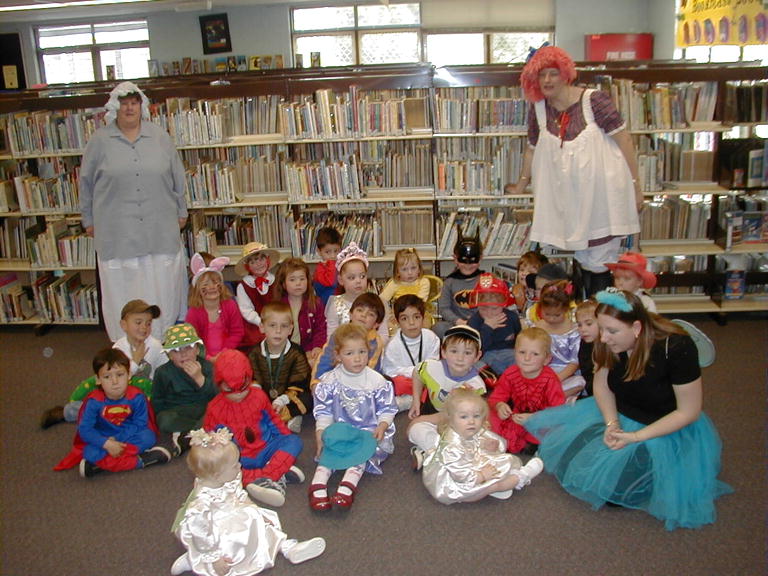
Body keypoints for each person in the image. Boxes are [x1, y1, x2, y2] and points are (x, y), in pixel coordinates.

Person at [524, 289, 733, 530]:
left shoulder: (676, 347)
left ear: (636, 328)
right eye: (601, 329)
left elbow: (688, 412)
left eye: (612, 331)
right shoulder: (606, 341)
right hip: (623, 413)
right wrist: (612, 424)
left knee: (616, 492)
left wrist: (636, 437)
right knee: (570, 460)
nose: (603, 338)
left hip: (662, 426)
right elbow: (602, 386)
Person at [510, 46, 641, 297]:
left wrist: (636, 187)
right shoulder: (538, 109)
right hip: (570, 201)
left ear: (566, 73)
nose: (547, 80)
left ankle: (599, 324)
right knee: (584, 259)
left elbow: (625, 140)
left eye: (553, 73)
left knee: (600, 261)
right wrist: (521, 184)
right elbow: (531, 149)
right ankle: (587, 322)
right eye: (541, 75)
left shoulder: (594, 101)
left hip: (602, 198)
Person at [79, 81, 188, 341]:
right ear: (115, 106)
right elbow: (86, 183)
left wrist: (181, 210)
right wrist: (88, 219)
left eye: (134, 103)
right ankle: (125, 344)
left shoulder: (160, 136)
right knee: (122, 288)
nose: (129, 108)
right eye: (124, 103)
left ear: (142, 106)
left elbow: (177, 177)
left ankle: (162, 340)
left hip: (158, 228)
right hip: (118, 233)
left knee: (161, 285)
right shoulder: (99, 141)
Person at [171, 427, 325, 576]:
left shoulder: (229, 478)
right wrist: (214, 559)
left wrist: (253, 509)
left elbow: (239, 495)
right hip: (216, 529)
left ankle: (288, 547)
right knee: (234, 544)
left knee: (263, 524)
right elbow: (201, 534)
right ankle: (194, 560)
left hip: (236, 512)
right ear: (218, 475)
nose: (240, 466)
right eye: (234, 465)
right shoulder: (201, 505)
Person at [309, 324, 398, 511]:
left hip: (367, 431)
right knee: (329, 447)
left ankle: (348, 485)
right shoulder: (330, 380)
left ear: (369, 351)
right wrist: (321, 433)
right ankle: (318, 484)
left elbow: (387, 408)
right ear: (338, 356)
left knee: (363, 452)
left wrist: (382, 425)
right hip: (341, 429)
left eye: (362, 352)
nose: (357, 359)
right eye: (349, 353)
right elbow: (324, 411)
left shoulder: (376, 380)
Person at [40, 299, 166, 429]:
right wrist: (135, 361)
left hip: (144, 392)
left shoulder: (155, 345)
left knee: (149, 409)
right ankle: (69, 411)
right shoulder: (118, 348)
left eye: (148, 323)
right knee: (104, 405)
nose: (144, 327)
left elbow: (164, 370)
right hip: (119, 390)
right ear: (124, 325)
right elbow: (114, 377)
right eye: (138, 322)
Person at [204, 349, 305, 508]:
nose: (238, 394)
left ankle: (263, 478)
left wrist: (284, 439)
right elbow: (211, 444)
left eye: (243, 387)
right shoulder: (214, 408)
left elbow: (274, 421)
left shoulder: (259, 395)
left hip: (266, 449)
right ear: (219, 383)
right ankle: (274, 473)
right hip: (239, 459)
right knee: (221, 468)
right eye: (230, 389)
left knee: (294, 441)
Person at [54, 348, 171, 477]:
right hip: (103, 436)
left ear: (129, 375)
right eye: (107, 377)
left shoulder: (137, 396)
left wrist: (115, 440)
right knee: (89, 452)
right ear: (98, 380)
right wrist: (106, 443)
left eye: (120, 375)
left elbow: (140, 424)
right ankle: (140, 461)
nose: (114, 382)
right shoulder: (94, 401)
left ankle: (102, 464)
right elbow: (85, 430)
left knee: (148, 437)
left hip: (128, 434)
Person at [422, 388, 545, 504]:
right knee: (494, 485)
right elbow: (461, 475)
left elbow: (473, 443)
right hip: (453, 485)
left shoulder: (464, 429)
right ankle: (520, 477)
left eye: (476, 416)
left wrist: (484, 444)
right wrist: (481, 476)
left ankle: (495, 483)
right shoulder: (451, 447)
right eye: (464, 417)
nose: (471, 421)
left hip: (468, 464)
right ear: (450, 418)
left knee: (505, 460)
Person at [407, 325, 486, 470]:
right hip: (432, 414)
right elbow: (418, 373)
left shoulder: (475, 385)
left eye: (467, 353)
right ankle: (444, 453)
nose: (460, 358)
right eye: (454, 351)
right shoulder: (431, 367)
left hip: (457, 424)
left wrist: (422, 419)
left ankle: (432, 454)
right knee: (415, 430)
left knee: (478, 436)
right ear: (443, 351)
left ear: (477, 356)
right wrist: (416, 400)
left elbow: (452, 417)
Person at [488, 327, 565, 454]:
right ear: (514, 352)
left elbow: (558, 411)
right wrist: (500, 405)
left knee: (557, 432)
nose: (527, 358)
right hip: (517, 417)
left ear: (546, 359)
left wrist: (535, 418)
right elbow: (496, 397)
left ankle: (530, 445)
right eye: (522, 352)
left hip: (542, 421)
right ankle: (516, 442)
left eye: (535, 354)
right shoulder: (510, 373)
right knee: (488, 415)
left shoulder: (550, 379)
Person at [151, 323, 217, 456]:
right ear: (169, 355)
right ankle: (198, 432)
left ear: (198, 350)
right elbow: (157, 400)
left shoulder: (208, 367)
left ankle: (188, 436)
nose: (183, 353)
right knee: (164, 420)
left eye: (188, 348)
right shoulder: (162, 372)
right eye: (176, 350)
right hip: (176, 412)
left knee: (214, 414)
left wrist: (200, 379)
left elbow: (216, 396)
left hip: (203, 408)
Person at [249, 302, 312, 434]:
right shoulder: (255, 352)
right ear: (262, 327)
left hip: (289, 396)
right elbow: (254, 379)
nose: (278, 331)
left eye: (284, 326)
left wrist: (282, 399)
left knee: (309, 399)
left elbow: (300, 381)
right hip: (264, 396)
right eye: (272, 326)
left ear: (290, 329)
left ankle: (280, 417)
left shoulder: (296, 352)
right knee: (244, 399)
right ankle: (281, 419)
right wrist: (258, 397)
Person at [380, 294, 441, 412]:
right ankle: (418, 400)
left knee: (437, 379)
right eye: (404, 318)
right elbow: (390, 371)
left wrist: (419, 375)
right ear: (397, 322)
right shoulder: (393, 345)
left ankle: (411, 400)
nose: (411, 323)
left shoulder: (431, 337)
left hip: (426, 380)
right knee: (397, 383)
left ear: (423, 318)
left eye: (416, 317)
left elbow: (433, 364)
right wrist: (415, 373)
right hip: (406, 382)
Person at [311, 292, 386, 384]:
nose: (363, 315)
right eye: (360, 310)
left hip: (362, 384)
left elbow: (371, 370)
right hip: (335, 381)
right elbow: (326, 360)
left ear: (376, 324)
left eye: (370, 314)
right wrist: (317, 383)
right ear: (350, 314)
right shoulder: (339, 334)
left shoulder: (374, 342)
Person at [325, 242, 389, 344]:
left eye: (362, 276)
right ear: (341, 280)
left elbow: (384, 335)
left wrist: (370, 348)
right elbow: (331, 338)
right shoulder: (335, 305)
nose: (358, 281)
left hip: (372, 352)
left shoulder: (377, 302)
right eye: (352, 277)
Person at [185, 252, 245, 362]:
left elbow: (237, 332)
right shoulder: (193, 313)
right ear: (197, 289)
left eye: (215, 282)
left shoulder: (230, 305)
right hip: (202, 358)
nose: (211, 287)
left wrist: (224, 353)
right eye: (205, 284)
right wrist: (207, 357)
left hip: (229, 355)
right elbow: (192, 340)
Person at [534, 280, 585, 398]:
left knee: (580, 382)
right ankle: (545, 396)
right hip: (541, 372)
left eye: (557, 315)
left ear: (566, 310)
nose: (551, 319)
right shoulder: (537, 327)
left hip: (566, 374)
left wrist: (557, 378)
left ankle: (554, 397)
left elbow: (574, 363)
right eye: (547, 314)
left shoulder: (573, 331)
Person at [273, 258, 326, 365]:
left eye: (302, 279)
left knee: (317, 363)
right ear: (283, 284)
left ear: (308, 280)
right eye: (292, 280)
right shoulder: (277, 306)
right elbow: (273, 333)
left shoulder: (316, 303)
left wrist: (317, 346)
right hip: (285, 350)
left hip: (308, 350)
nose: (298, 283)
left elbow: (321, 329)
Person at [433, 229, 485, 339]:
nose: (468, 265)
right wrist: (458, 321)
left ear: (480, 259)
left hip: (482, 324)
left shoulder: (486, 280)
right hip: (457, 325)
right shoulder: (449, 282)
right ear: (455, 259)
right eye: (463, 261)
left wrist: (480, 321)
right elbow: (444, 308)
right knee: (439, 328)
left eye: (473, 261)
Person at [466, 272, 521, 376]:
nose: (489, 313)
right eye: (484, 308)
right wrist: (487, 328)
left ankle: (510, 379)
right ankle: (500, 380)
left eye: (494, 308)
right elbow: (475, 349)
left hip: (509, 354)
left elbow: (519, 340)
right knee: (473, 365)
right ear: (477, 306)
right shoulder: (474, 321)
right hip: (485, 355)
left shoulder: (511, 317)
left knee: (521, 360)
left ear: (503, 305)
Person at [235, 242, 281, 347]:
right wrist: (262, 323)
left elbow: (280, 303)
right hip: (255, 325)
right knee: (259, 343)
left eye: (261, 259)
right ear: (247, 266)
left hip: (276, 322)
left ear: (267, 260)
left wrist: (274, 322)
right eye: (253, 262)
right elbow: (246, 311)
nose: (258, 264)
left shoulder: (276, 281)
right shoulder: (244, 286)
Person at [379, 248, 433, 330]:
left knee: (425, 324)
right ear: (397, 272)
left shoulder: (423, 282)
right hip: (399, 314)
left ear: (419, 269)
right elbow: (381, 300)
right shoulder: (394, 283)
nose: (410, 273)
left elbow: (420, 301)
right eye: (404, 269)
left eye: (413, 268)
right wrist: (389, 313)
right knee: (387, 325)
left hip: (418, 313)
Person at [512, 251, 548, 320]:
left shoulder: (544, 295)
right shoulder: (514, 291)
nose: (524, 274)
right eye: (521, 270)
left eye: (530, 272)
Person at [575, 298, 599, 397]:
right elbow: (587, 373)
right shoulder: (584, 344)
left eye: (589, 324)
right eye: (579, 325)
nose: (583, 329)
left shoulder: (610, 346)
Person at [312, 227, 342, 306]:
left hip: (337, 304)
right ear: (319, 251)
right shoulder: (320, 269)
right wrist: (332, 264)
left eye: (336, 251)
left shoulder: (340, 265)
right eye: (327, 252)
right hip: (325, 306)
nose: (333, 256)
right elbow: (332, 282)